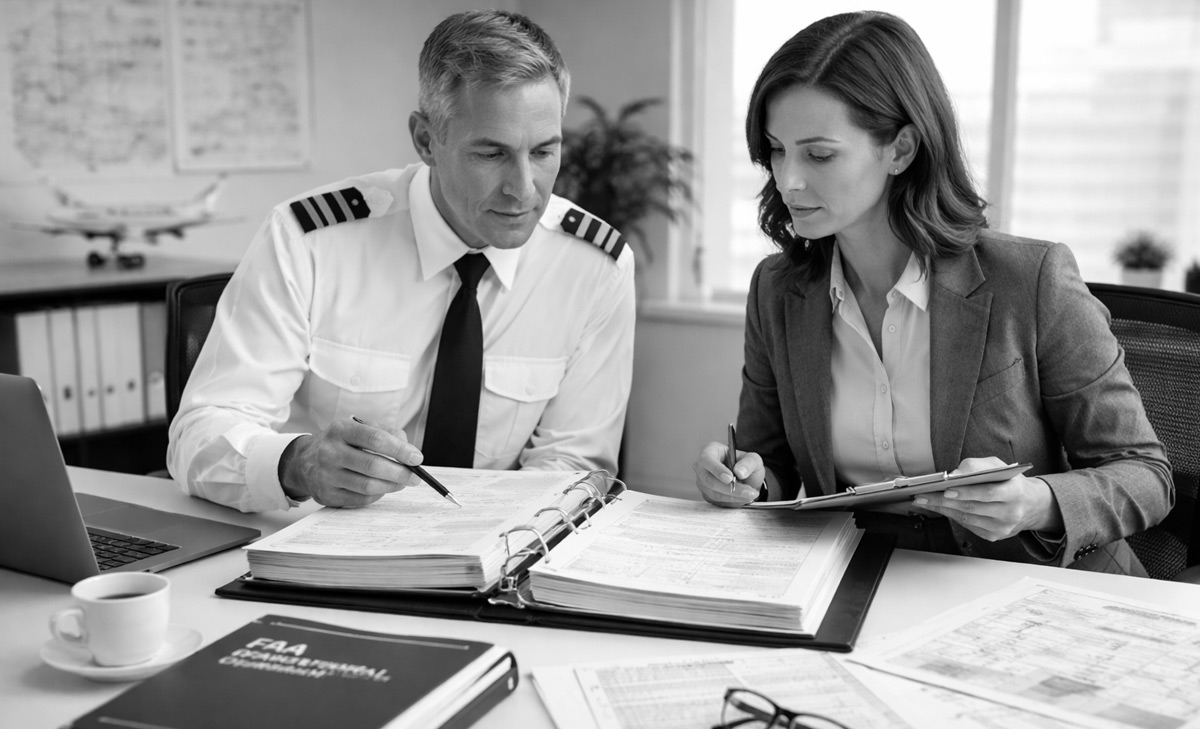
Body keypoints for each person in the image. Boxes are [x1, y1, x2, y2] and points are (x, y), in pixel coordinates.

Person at [692, 11, 1172, 575]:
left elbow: (1145, 474)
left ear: (900, 149)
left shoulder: (1030, 279)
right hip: (864, 581)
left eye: (819, 154)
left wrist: (1033, 504)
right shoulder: (779, 291)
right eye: (775, 150)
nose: (787, 179)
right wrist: (742, 478)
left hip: (1032, 584)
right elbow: (770, 464)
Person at [168, 10, 635, 513]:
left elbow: (572, 464)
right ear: (426, 140)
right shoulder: (310, 242)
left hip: (492, 555)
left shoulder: (594, 267)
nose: (523, 189)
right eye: (491, 155)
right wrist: (298, 463)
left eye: (543, 152)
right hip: (314, 546)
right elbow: (199, 434)